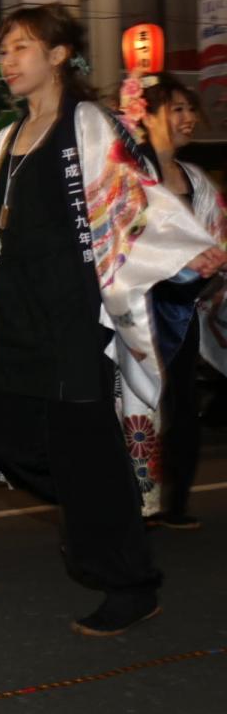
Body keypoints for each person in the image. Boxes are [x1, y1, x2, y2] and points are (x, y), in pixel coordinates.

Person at [0, 3, 227, 636]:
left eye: (21, 48)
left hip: (68, 313)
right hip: (18, 311)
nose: (7, 61)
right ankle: (100, 518)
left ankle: (130, 583)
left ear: (59, 55)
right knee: (3, 431)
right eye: (3, 50)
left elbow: (130, 195)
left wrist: (182, 247)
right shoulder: (10, 138)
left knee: (84, 453)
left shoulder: (84, 123)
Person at [135, 73, 227, 528]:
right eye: (177, 109)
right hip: (134, 305)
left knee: (180, 403)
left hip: (182, 305)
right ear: (146, 115)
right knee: (135, 403)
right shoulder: (129, 175)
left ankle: (174, 502)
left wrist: (212, 259)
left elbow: (216, 233)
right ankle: (137, 502)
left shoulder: (195, 179)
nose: (189, 118)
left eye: (191, 109)